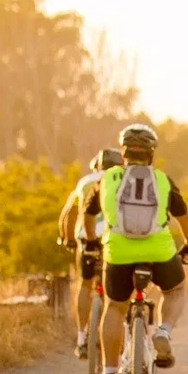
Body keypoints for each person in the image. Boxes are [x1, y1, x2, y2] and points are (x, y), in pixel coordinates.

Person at [83, 122, 188, 374]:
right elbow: (186, 220)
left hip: (119, 252)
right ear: (151, 154)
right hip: (159, 251)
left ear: (123, 153)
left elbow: (88, 215)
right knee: (175, 289)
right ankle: (164, 331)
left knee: (115, 307)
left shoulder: (107, 178)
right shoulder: (162, 179)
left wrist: (91, 240)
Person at [58, 147, 122, 360]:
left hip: (87, 237)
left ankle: (82, 336)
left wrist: (67, 238)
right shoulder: (122, 179)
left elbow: (68, 214)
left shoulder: (85, 182)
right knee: (117, 291)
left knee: (85, 283)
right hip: (115, 239)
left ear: (98, 165)